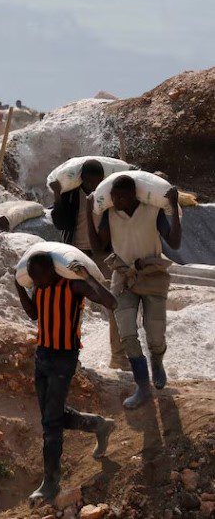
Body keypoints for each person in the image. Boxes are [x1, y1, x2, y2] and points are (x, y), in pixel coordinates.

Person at [15, 253, 117, 505]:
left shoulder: (73, 285)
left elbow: (111, 302)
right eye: (35, 281)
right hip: (42, 355)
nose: (39, 284)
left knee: (51, 423)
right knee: (52, 415)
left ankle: (50, 483)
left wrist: (88, 278)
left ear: (53, 271)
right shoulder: (40, 285)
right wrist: (20, 286)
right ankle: (98, 425)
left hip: (63, 358)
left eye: (41, 279)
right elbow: (33, 315)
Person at [87, 175, 182, 409]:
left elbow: (175, 242)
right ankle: (142, 385)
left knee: (155, 331)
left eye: (121, 196)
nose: (115, 200)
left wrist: (175, 208)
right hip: (123, 276)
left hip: (151, 274)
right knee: (127, 333)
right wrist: (90, 214)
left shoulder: (152, 211)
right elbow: (99, 249)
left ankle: (157, 362)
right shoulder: (110, 215)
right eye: (113, 196)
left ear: (133, 195)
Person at [49, 160, 129, 370]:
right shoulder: (72, 194)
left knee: (114, 302)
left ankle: (118, 357)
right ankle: (68, 353)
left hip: (104, 255)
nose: (96, 184)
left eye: (99, 180)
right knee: (71, 303)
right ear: (83, 179)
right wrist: (57, 195)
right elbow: (60, 222)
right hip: (76, 253)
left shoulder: (108, 194)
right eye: (92, 180)